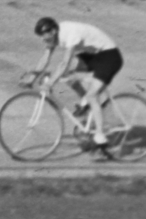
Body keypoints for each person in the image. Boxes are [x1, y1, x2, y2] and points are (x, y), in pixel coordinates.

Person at [23, 17, 124, 156]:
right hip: (92, 55)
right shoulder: (54, 35)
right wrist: (32, 78)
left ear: (52, 31)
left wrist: (49, 83)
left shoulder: (70, 33)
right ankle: (86, 104)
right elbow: (46, 57)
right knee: (68, 77)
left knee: (92, 95)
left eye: (44, 37)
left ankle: (100, 137)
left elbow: (64, 63)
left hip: (109, 56)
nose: (42, 40)